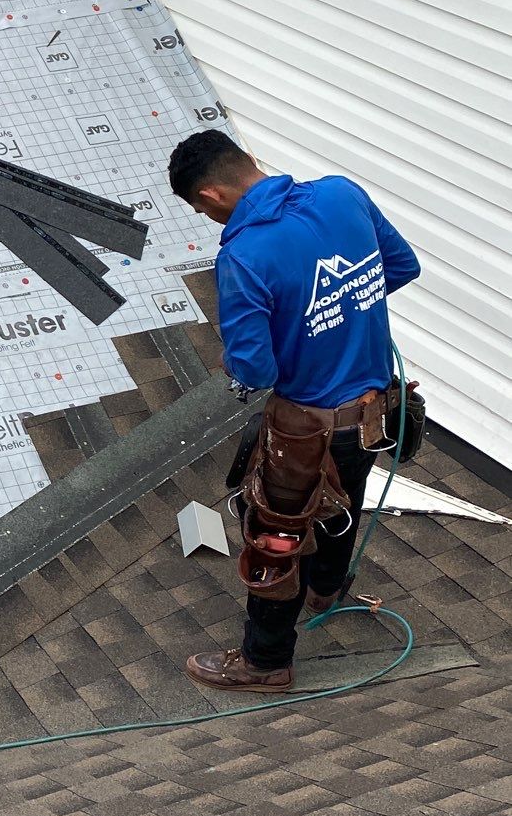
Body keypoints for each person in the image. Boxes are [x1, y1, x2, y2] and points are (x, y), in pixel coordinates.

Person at [167, 129, 421, 692]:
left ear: (209, 196)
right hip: (374, 414)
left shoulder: (244, 255)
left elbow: (254, 370)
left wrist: (295, 336)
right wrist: (342, 316)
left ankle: (265, 661)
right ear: (250, 162)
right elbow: (400, 266)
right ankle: (328, 589)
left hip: (305, 430)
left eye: (197, 209)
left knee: (276, 535)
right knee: (342, 503)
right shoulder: (341, 194)